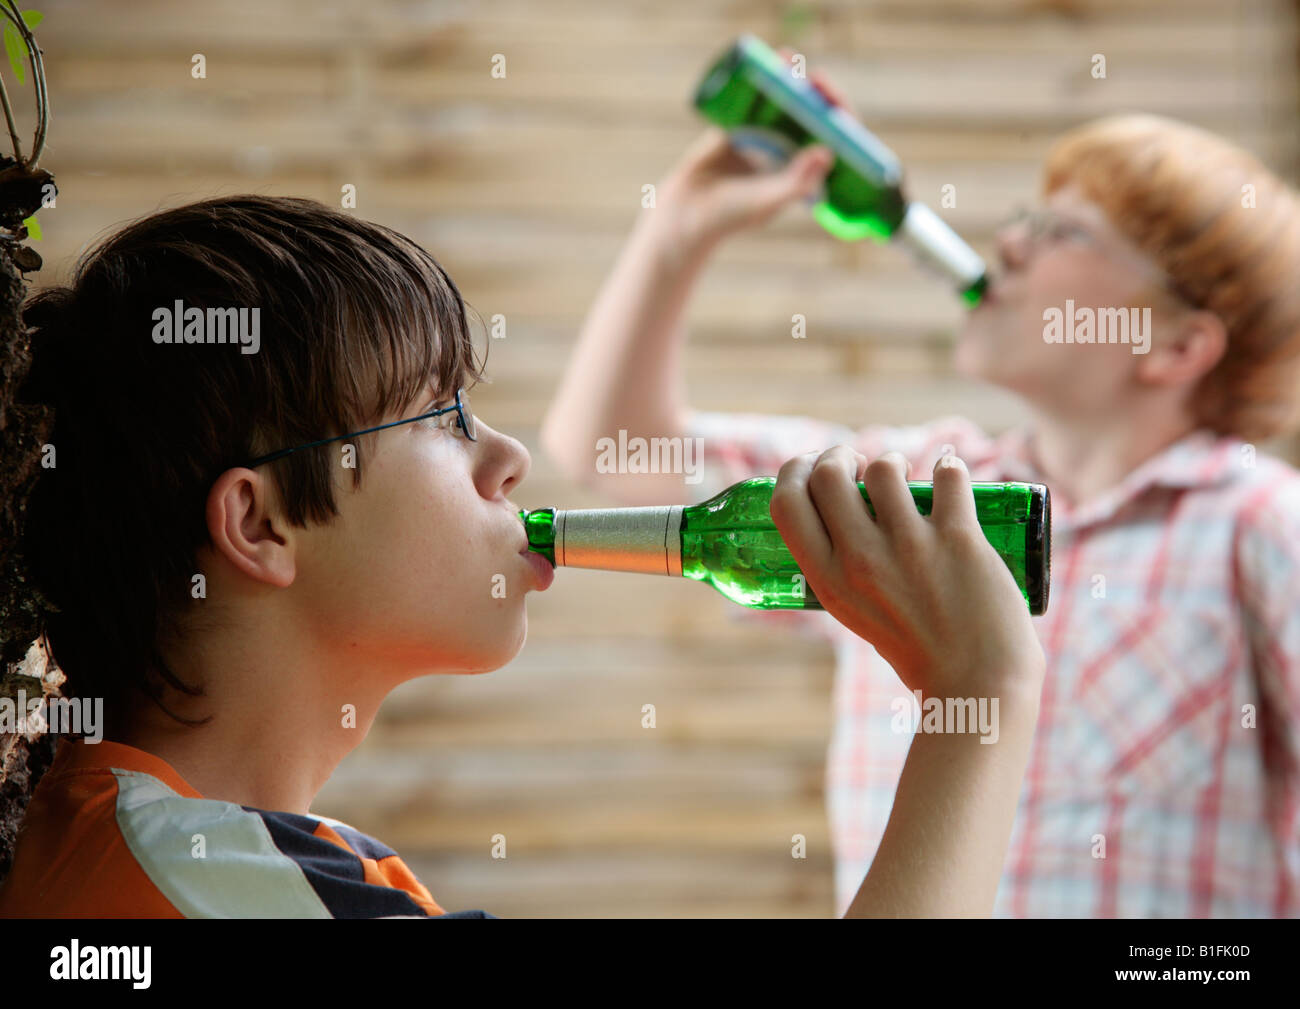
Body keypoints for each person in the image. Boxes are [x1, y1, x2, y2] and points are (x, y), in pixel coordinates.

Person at [0, 195, 1043, 918]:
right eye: (443, 418)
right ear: (262, 525)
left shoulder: (222, 856)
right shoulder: (210, 882)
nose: (509, 457)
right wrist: (979, 702)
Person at [540, 72, 1300, 915]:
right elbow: (605, 445)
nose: (1010, 242)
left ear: (1174, 345)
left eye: (1062, 232)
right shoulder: (908, 491)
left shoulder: (1258, 528)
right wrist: (675, 236)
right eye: (1025, 218)